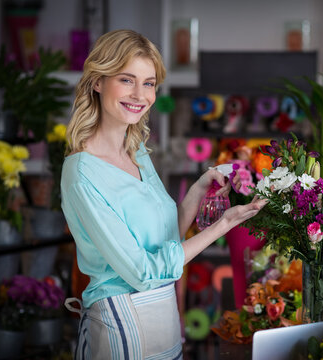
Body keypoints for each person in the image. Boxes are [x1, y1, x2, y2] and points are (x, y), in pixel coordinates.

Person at [61, 29, 267, 360]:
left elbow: (167, 237)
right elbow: (143, 273)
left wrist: (201, 186)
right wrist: (223, 224)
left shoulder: (137, 151)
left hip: (165, 325)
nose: (140, 94)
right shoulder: (82, 173)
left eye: (149, 82)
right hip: (121, 329)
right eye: (127, 80)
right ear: (97, 81)